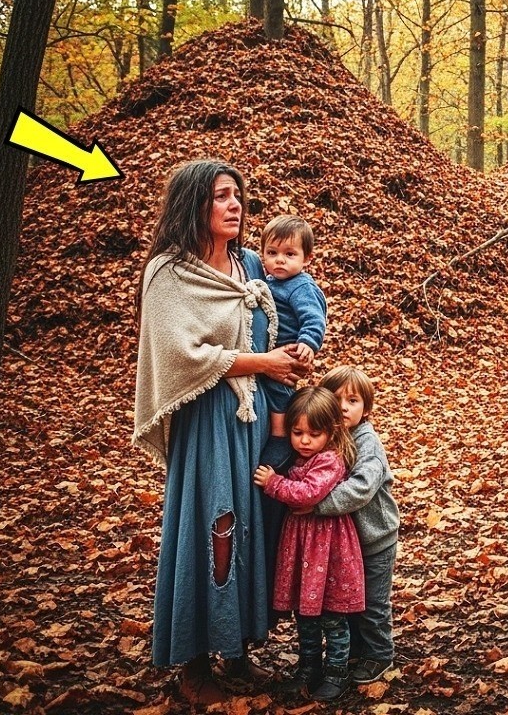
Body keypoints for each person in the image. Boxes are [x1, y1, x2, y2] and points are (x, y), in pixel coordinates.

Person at [133, 160, 311, 705]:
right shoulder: (170, 272)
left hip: (255, 417)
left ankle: (236, 648)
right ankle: (193, 659)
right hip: (208, 420)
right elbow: (180, 353)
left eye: (237, 195)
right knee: (216, 525)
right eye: (220, 197)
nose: (235, 206)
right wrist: (263, 363)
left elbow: (291, 306)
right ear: (194, 205)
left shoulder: (250, 262)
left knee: (253, 520)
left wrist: (299, 351)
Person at [255, 387, 365, 701]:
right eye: (297, 432)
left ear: (331, 431)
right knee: (306, 616)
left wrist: (274, 483)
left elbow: (307, 493)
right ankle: (308, 668)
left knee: (332, 615)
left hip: (327, 547)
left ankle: (336, 672)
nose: (304, 440)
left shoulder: (329, 459)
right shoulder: (301, 456)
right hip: (302, 546)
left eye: (313, 433)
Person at [315, 366, 400, 683]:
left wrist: (318, 505)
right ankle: (353, 652)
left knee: (372, 604)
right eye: (336, 399)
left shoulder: (367, 443)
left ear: (366, 408)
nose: (343, 406)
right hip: (345, 542)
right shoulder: (327, 438)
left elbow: (361, 488)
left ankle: (379, 655)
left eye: (352, 400)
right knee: (348, 599)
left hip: (375, 538)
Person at [259, 215, 327, 463]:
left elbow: (314, 318)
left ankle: (279, 444)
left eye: (290, 254)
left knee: (279, 398)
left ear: (306, 258)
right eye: (272, 252)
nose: (279, 260)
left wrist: (308, 342)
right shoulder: (268, 282)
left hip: (286, 354)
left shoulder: (301, 286)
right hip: (266, 353)